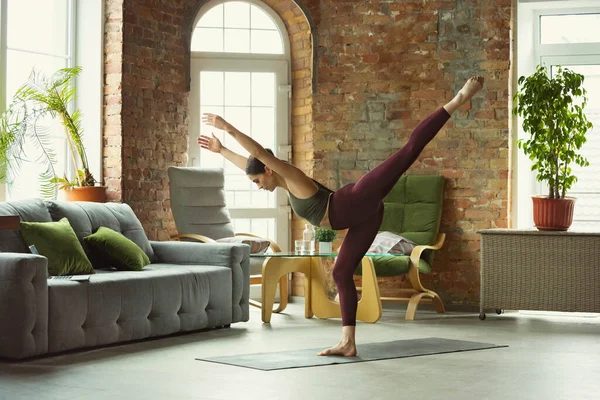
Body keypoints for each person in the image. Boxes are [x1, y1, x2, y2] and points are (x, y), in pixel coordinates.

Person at [199, 76, 485, 357]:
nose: (259, 187)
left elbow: (258, 153)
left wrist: (227, 128)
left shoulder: (292, 176)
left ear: (270, 170)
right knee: (341, 272)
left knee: (408, 152)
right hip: (363, 218)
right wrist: (221, 150)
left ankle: (459, 98)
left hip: (357, 200)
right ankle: (348, 342)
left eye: (258, 181)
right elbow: (251, 163)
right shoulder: (285, 184)